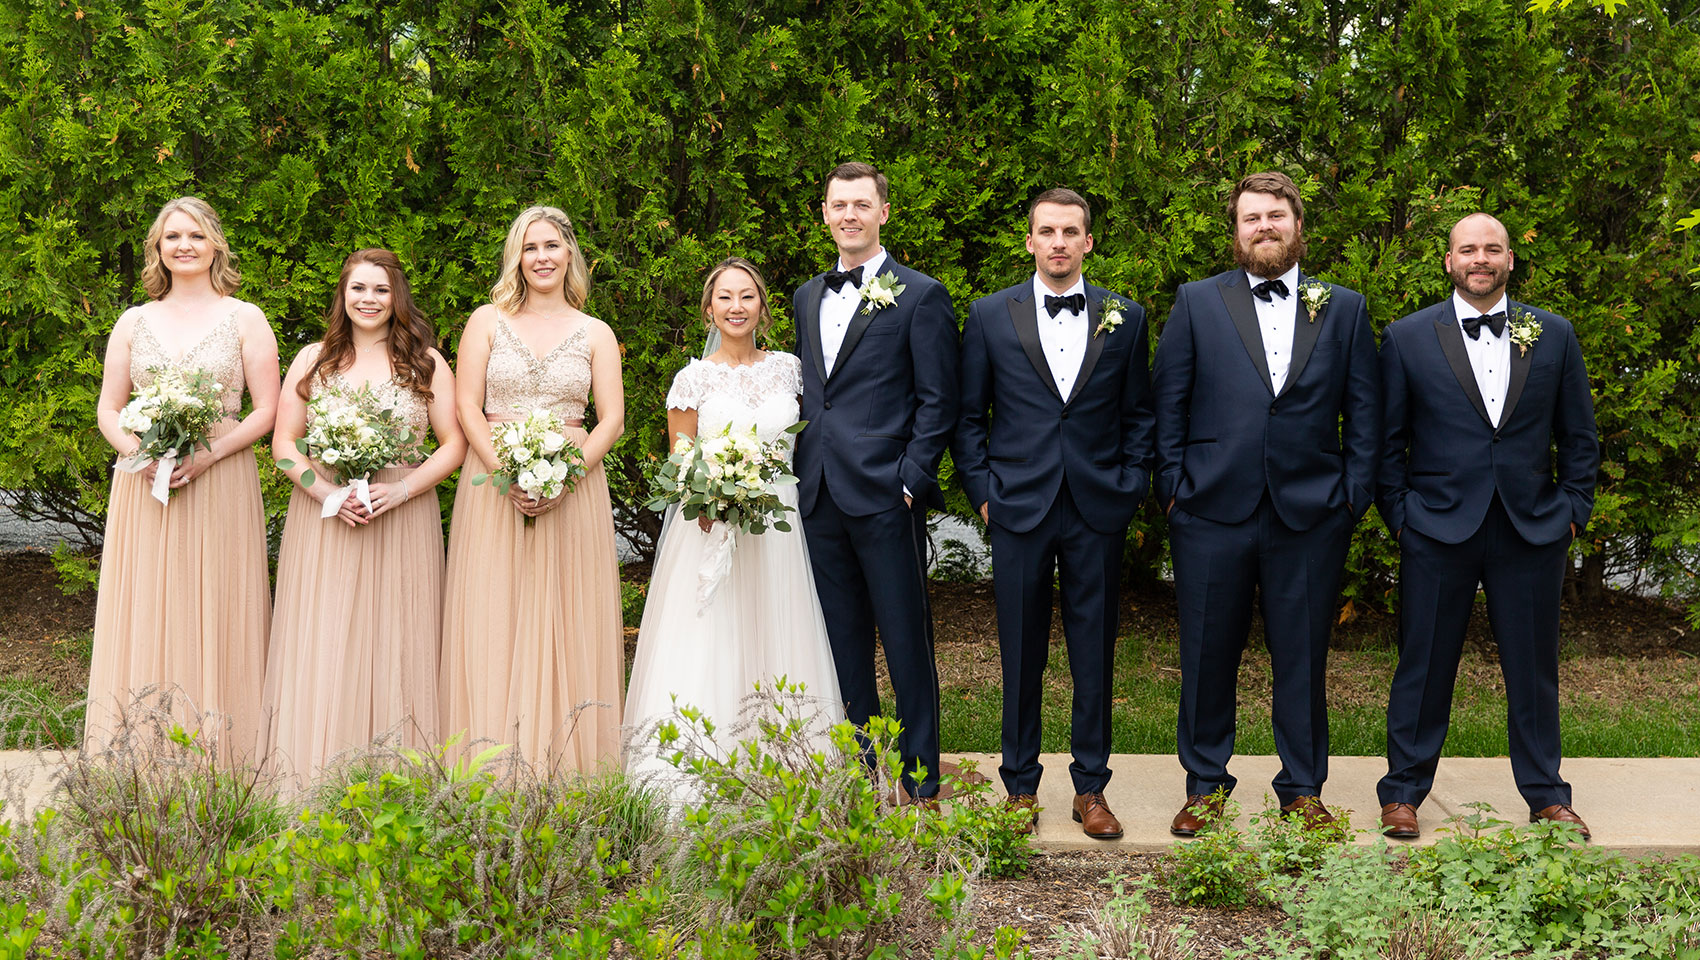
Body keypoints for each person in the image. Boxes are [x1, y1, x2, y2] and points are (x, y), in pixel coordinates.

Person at [1151, 171, 1378, 833]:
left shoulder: (1344, 308)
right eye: (1252, 218)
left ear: (1299, 227)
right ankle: (1204, 787)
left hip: (1310, 516)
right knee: (1206, 655)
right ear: (1236, 231)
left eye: (1276, 216)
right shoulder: (1197, 302)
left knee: (1303, 659)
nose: (1264, 227)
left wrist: (1351, 498)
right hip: (1209, 511)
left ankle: (1303, 791)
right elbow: (1167, 403)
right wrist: (1173, 491)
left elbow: (1366, 414)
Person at [1374, 213, 1599, 840]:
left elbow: (1579, 435)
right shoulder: (1408, 337)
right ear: (1448, 261)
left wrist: (1571, 510)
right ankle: (1403, 793)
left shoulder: (1551, 334)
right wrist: (1403, 517)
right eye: (1467, 249)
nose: (1481, 258)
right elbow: (1387, 444)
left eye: (1492, 249)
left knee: (1533, 669)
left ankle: (1547, 795)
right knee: (1423, 664)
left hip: (1531, 530)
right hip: (1438, 528)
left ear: (1508, 260)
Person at [953, 189, 1154, 839]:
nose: (1060, 242)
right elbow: (968, 417)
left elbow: (1140, 415)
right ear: (1031, 241)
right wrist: (983, 492)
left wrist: (1128, 488)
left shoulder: (1126, 316)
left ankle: (1090, 789)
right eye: (1048, 231)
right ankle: (1018, 786)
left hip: (1096, 507)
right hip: (1017, 505)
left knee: (1093, 653)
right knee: (1021, 652)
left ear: (1088, 241)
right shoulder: (989, 315)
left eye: (1072, 231)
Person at [623, 257, 846, 800]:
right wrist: (709, 496)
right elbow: (680, 458)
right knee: (712, 635)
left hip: (779, 526)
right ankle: (699, 772)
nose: (736, 307)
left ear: (762, 307)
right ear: (708, 309)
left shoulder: (790, 369)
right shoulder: (693, 379)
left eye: (747, 297)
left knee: (780, 625)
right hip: (710, 526)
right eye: (725, 297)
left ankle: (790, 768)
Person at [260, 249, 466, 786]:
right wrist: (327, 492)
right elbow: (284, 445)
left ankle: (398, 779)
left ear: (397, 296)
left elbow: (453, 446)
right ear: (342, 296)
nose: (368, 300)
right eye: (358, 289)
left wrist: (401, 492)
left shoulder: (426, 361)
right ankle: (317, 772)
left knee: (400, 635)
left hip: (403, 515)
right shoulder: (313, 360)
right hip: (328, 518)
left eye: (380, 289)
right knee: (326, 634)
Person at [86, 196, 280, 763]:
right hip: (145, 481)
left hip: (218, 477)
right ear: (158, 249)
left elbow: (265, 410)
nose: (184, 245)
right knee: (148, 599)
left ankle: (227, 748)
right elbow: (108, 408)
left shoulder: (244, 317)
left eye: (194, 235)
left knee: (219, 600)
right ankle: (139, 745)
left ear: (214, 243)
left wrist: (207, 455)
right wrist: (138, 452)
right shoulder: (134, 321)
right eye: (172, 237)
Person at [792, 162, 958, 802]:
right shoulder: (809, 295)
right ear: (826, 214)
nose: (850, 215)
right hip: (820, 494)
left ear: (883, 212)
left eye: (862, 204)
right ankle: (861, 770)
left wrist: (911, 479)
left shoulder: (920, 294)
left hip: (889, 495)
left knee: (906, 639)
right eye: (839, 205)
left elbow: (939, 400)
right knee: (842, 642)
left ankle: (920, 777)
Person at [440, 206, 626, 771]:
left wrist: (566, 479)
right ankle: (489, 760)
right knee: (493, 609)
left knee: (569, 616)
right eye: (529, 248)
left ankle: (568, 762)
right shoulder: (486, 321)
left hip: (574, 488)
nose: (541, 257)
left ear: (570, 252)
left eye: (551, 246)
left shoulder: (596, 332)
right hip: (494, 488)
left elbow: (611, 420)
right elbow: (467, 407)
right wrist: (505, 472)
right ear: (516, 258)